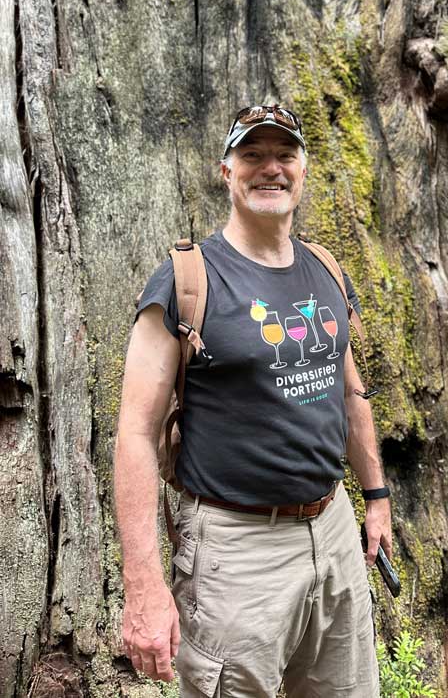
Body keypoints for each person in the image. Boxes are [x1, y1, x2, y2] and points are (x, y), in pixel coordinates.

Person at [114, 104, 392, 698]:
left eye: (284, 155)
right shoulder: (187, 280)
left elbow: (349, 390)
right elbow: (135, 434)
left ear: (304, 169)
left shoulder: (325, 270)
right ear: (227, 170)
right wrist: (144, 588)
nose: (271, 168)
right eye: (253, 155)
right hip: (237, 555)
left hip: (334, 530)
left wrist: (375, 497)